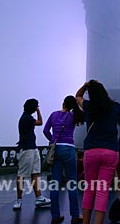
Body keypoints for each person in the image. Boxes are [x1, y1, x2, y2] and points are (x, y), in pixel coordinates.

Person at [75, 80, 120, 224]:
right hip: (110, 151)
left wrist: (86, 85)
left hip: (91, 151)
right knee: (102, 191)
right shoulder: (115, 106)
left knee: (89, 189)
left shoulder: (88, 106)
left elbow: (77, 96)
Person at [43, 95, 84, 224]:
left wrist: (53, 140)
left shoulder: (54, 114)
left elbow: (45, 130)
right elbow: (85, 114)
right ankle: (75, 215)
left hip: (56, 150)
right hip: (69, 148)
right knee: (72, 182)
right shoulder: (74, 116)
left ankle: (55, 216)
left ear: (63, 103)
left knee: (55, 182)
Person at [13, 99, 51, 211]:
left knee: (35, 173)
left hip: (32, 148)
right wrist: (39, 110)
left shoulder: (26, 117)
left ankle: (38, 197)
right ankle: (18, 200)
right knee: (21, 175)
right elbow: (40, 122)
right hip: (27, 149)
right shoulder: (26, 118)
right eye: (36, 107)